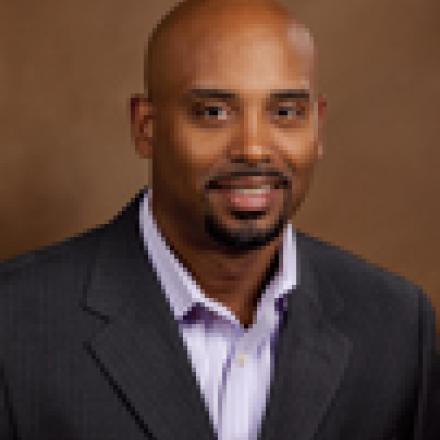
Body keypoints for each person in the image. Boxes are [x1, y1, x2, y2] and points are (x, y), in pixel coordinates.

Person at [0, 0, 435, 439]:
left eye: (285, 112)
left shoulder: (397, 326)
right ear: (146, 127)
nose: (253, 149)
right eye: (213, 112)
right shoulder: (14, 321)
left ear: (317, 128)